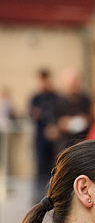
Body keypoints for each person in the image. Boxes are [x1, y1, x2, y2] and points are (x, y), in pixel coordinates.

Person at [28, 69, 59, 202]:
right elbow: (33, 114)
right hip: (40, 139)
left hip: (54, 140)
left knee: (53, 168)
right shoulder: (36, 97)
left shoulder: (55, 97)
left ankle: (52, 195)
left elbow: (57, 114)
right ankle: (37, 198)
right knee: (40, 168)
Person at [51, 67, 92, 154]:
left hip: (83, 143)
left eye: (75, 81)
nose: (73, 84)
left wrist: (86, 120)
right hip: (64, 144)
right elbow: (52, 126)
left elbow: (93, 118)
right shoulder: (57, 102)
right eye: (70, 81)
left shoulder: (86, 100)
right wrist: (62, 124)